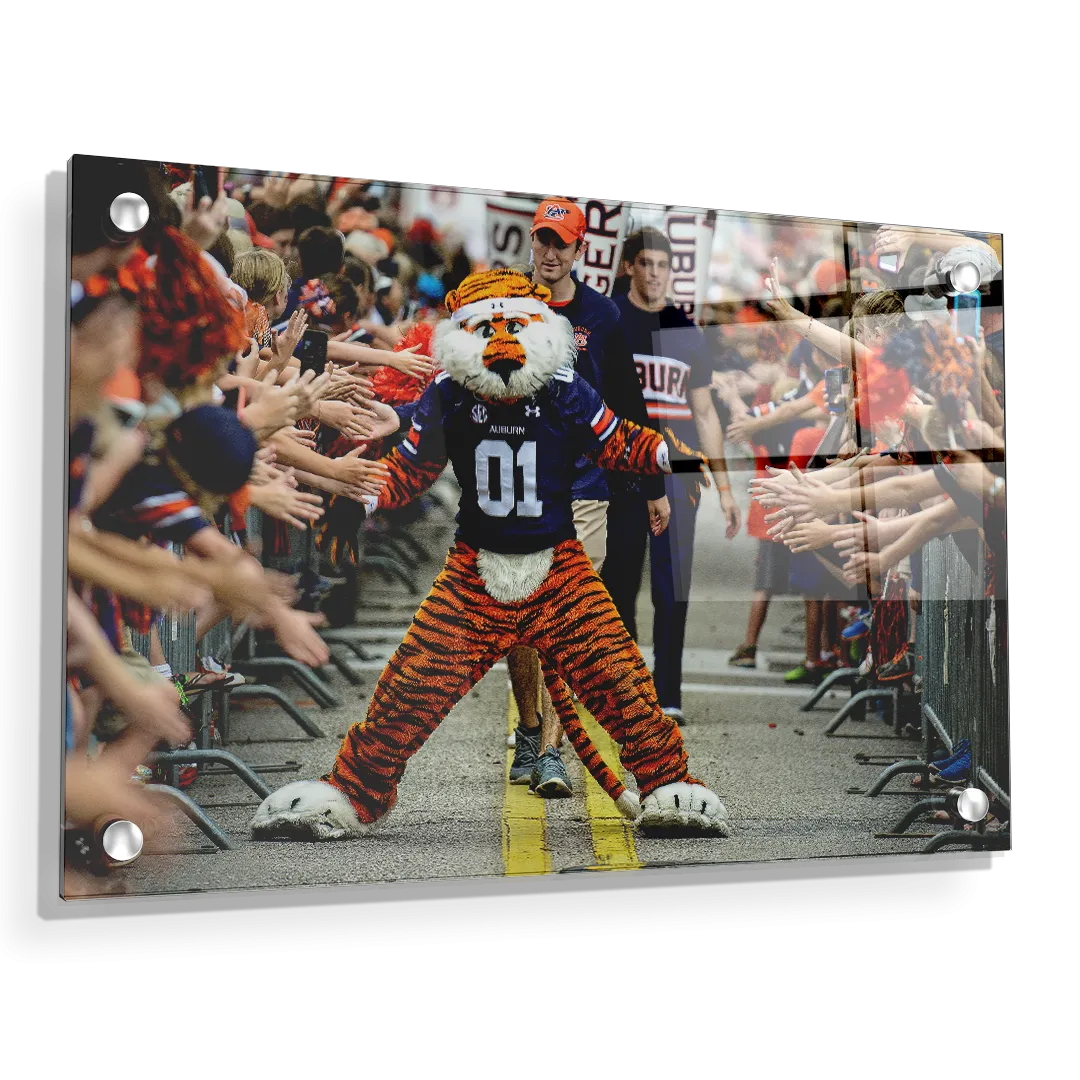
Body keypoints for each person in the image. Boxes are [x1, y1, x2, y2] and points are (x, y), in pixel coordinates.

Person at [505, 198, 661, 798]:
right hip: (522, 482)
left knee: (563, 611)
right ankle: (528, 728)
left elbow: (627, 403)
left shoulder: (604, 314)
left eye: (560, 244)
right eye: (542, 240)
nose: (549, 252)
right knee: (520, 615)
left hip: (586, 486)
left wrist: (650, 486)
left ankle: (551, 752)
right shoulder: (506, 305)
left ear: (580, 252)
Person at [600, 228, 741, 725]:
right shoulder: (610, 318)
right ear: (629, 267)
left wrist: (724, 489)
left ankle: (669, 691)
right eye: (646, 263)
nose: (655, 273)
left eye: (663, 264)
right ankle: (623, 685)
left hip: (679, 474)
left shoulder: (685, 329)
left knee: (671, 586)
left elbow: (705, 414)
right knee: (616, 580)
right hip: (621, 469)